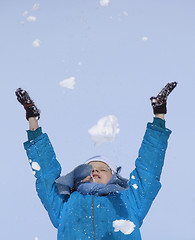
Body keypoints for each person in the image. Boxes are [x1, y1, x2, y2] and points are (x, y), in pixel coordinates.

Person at [15, 82, 177, 240]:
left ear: (114, 177)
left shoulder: (129, 201)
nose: (95, 171)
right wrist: (32, 120)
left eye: (103, 169)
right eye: (89, 169)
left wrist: (159, 116)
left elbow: (148, 170)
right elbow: (45, 174)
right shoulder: (65, 205)